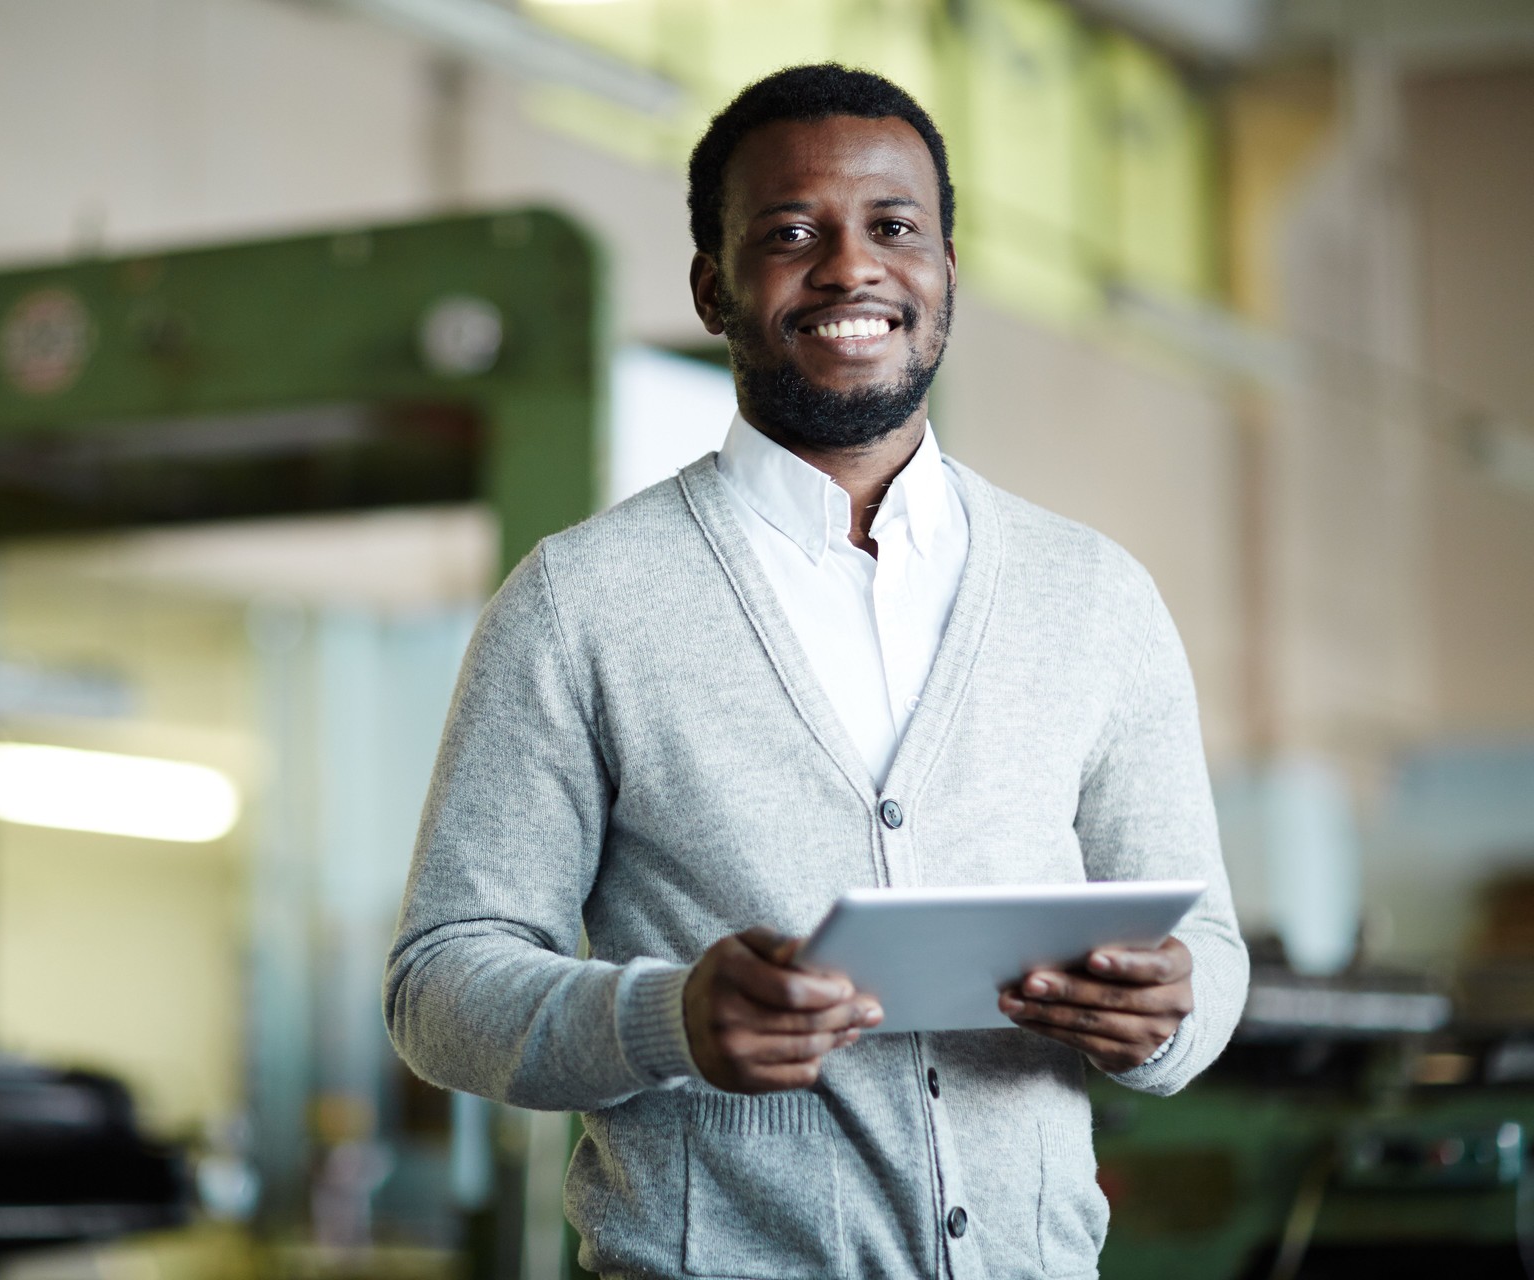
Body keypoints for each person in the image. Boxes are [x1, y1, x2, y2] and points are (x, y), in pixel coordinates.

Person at [385, 62, 1246, 1280]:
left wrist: (1167, 1016)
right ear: (712, 286)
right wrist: (666, 1017)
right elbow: (440, 981)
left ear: (948, 269)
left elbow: (1203, 940)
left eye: (895, 228)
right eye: (792, 233)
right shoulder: (580, 602)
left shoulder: (1094, 594)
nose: (852, 267)